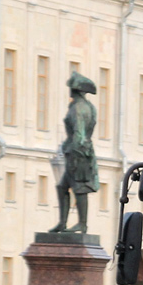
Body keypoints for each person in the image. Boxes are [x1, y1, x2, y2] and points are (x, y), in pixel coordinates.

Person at [49, 72, 99, 234]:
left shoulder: (78, 108)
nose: (69, 90)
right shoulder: (88, 106)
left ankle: (82, 224)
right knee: (63, 186)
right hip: (82, 151)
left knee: (79, 188)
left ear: (76, 90)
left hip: (77, 154)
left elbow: (79, 133)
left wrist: (71, 150)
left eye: (71, 88)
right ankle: (63, 223)